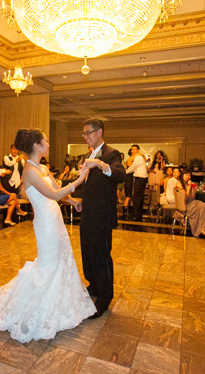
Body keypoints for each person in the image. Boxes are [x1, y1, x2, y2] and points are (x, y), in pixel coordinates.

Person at [0, 128, 95, 342]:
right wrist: (80, 180)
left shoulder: (42, 168)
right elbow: (55, 193)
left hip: (54, 219)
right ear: (37, 146)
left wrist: (73, 201)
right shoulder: (29, 171)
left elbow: (57, 192)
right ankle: (35, 310)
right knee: (48, 264)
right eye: (45, 140)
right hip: (45, 224)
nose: (48, 143)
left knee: (60, 261)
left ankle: (59, 307)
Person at [80, 119, 126, 319]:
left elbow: (119, 174)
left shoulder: (110, 154)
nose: (86, 137)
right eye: (84, 134)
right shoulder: (86, 155)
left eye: (88, 133)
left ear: (99, 132)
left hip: (102, 216)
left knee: (101, 256)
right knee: (87, 253)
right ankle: (94, 285)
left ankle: (104, 298)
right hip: (87, 213)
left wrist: (99, 164)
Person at [172, 169, 205, 237]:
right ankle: (198, 229)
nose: (188, 177)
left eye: (189, 175)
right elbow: (185, 198)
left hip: (192, 202)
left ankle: (203, 229)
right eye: (186, 175)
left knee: (204, 206)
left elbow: (193, 197)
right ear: (182, 175)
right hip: (184, 204)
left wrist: (193, 189)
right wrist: (189, 187)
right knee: (201, 207)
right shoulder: (179, 183)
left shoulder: (189, 183)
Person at [126, 144, 148, 221]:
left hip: (140, 178)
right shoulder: (138, 157)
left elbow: (133, 167)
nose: (133, 151)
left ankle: (137, 215)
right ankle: (138, 215)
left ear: (138, 150)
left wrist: (126, 171)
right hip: (140, 178)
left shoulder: (138, 157)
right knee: (139, 197)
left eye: (134, 149)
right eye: (132, 149)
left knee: (137, 197)